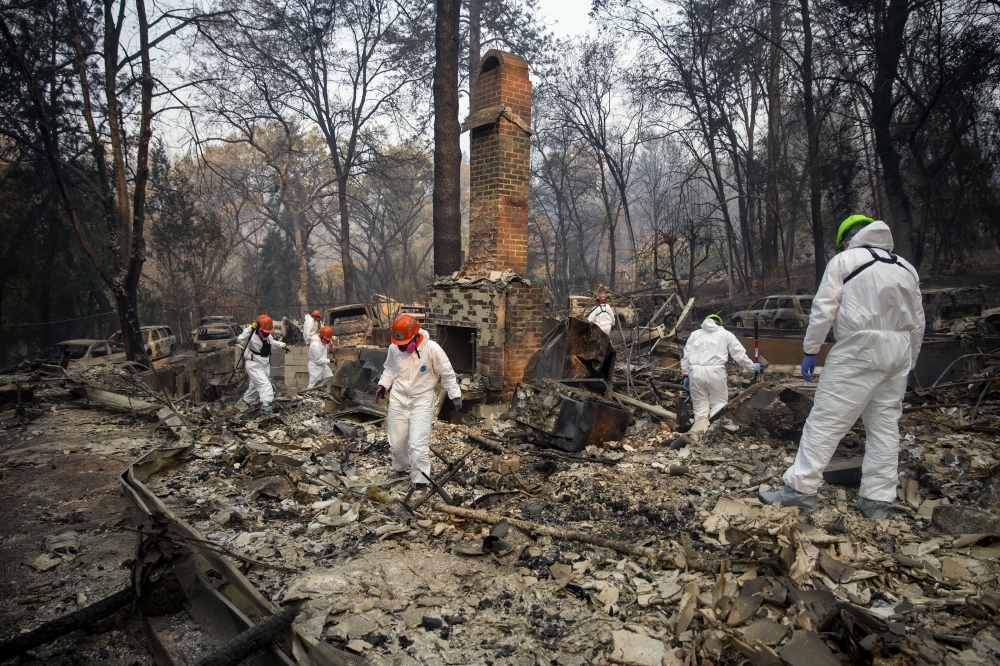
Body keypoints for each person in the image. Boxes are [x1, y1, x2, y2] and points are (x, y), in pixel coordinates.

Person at [760, 218, 924, 519]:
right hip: (899, 350)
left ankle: (800, 490)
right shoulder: (905, 267)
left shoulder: (845, 261)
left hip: (860, 348)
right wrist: (910, 362)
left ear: (846, 241)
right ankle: (877, 501)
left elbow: (824, 309)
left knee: (825, 421)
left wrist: (811, 350)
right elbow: (918, 320)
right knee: (885, 426)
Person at [376, 314, 461, 487]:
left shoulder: (432, 349)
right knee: (396, 443)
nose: (401, 347)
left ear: (415, 337)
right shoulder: (394, 348)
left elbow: (446, 372)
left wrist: (455, 395)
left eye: (404, 344)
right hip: (398, 399)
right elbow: (390, 368)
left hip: (421, 401)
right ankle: (400, 466)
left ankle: (421, 480)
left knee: (418, 445)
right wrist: (383, 384)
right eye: (399, 344)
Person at [681, 314, 758, 421]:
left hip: (695, 373)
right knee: (718, 403)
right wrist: (752, 366)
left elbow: (686, 356)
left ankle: (699, 432)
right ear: (719, 324)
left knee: (700, 406)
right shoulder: (726, 334)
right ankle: (714, 430)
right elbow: (739, 354)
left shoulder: (695, 334)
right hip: (715, 372)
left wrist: (686, 374)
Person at [236, 315, 289, 415]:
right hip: (254, 364)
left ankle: (242, 403)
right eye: (264, 332)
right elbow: (240, 340)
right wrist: (250, 329)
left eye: (267, 333)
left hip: (264, 364)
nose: (266, 334)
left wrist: (282, 345)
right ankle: (266, 410)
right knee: (265, 386)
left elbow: (272, 343)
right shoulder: (252, 335)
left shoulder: (268, 336)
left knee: (254, 388)